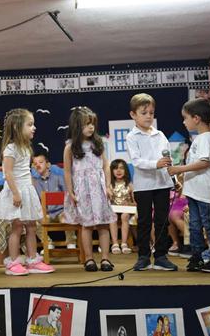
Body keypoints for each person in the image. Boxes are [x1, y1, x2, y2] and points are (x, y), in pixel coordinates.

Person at [0, 108, 55, 276]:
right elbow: (8, 173)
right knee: (17, 227)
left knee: (31, 226)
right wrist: (15, 193)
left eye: (33, 124)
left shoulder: (27, 148)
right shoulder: (10, 149)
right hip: (16, 191)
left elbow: (25, 172)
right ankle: (13, 262)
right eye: (30, 124)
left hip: (27, 191)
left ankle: (33, 259)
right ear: (17, 127)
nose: (34, 128)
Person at [168, 98, 210, 272]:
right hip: (194, 191)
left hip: (204, 192)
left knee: (209, 224)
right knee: (194, 225)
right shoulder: (199, 138)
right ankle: (197, 256)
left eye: (185, 118)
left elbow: (204, 162)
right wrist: (183, 181)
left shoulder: (206, 138)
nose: (184, 122)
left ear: (196, 118)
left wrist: (179, 169)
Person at [126, 93, 178, 271]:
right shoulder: (132, 136)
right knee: (144, 222)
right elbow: (137, 161)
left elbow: (168, 159)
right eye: (144, 113)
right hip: (143, 186)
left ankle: (161, 256)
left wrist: (174, 179)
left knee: (162, 221)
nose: (148, 116)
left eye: (151, 112)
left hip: (163, 184)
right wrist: (156, 164)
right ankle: (143, 256)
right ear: (133, 115)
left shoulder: (160, 135)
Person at [63, 107, 116, 272]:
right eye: (87, 124)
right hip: (82, 190)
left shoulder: (98, 144)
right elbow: (67, 171)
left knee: (103, 224)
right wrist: (71, 192)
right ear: (77, 126)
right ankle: (89, 259)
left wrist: (108, 186)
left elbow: (106, 165)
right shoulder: (70, 147)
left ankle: (105, 258)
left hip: (99, 189)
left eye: (92, 123)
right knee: (86, 225)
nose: (91, 127)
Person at [32, 152, 76, 250]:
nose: (38, 165)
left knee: (68, 216)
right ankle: (47, 243)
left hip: (61, 211)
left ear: (48, 165)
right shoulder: (36, 183)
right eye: (35, 164)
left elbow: (67, 195)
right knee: (35, 222)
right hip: (47, 214)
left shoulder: (58, 178)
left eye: (40, 162)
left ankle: (71, 241)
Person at [108, 159, 136, 255]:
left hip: (126, 210)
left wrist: (129, 204)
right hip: (113, 210)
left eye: (121, 168)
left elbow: (135, 203)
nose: (118, 171)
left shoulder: (129, 185)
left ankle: (124, 243)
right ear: (111, 171)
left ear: (125, 170)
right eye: (115, 168)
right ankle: (115, 243)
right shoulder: (110, 185)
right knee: (113, 216)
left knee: (125, 215)